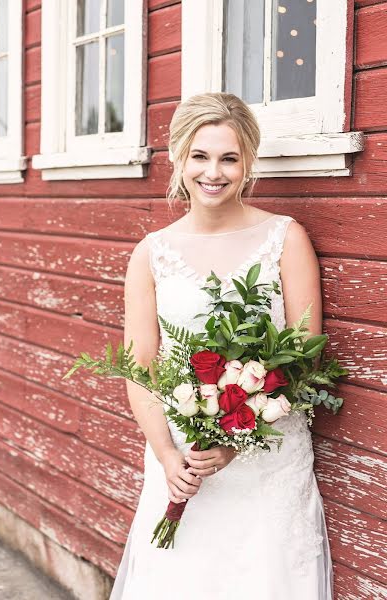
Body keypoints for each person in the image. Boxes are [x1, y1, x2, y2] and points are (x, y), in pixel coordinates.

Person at [109, 92, 333, 600]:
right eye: (201, 156)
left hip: (266, 457)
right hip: (184, 459)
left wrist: (237, 441)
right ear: (179, 159)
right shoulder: (151, 254)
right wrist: (167, 455)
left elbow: (304, 356)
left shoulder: (285, 238)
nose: (214, 172)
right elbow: (139, 369)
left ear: (247, 162)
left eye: (229, 158)